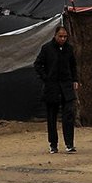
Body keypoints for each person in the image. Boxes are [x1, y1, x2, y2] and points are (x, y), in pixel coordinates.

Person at [33, 23, 79, 153]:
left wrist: (75, 79)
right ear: (55, 35)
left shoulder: (69, 49)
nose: (63, 39)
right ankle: (53, 144)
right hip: (52, 87)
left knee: (68, 115)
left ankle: (69, 144)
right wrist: (46, 78)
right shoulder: (47, 48)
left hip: (66, 87)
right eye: (61, 36)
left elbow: (73, 65)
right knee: (52, 117)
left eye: (65, 37)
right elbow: (37, 64)